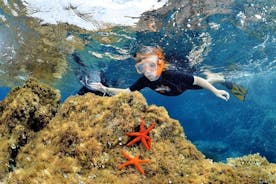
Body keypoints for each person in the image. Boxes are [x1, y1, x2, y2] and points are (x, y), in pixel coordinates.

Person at [81, 46, 247, 101]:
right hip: (175, 90)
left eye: (151, 66)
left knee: (205, 82)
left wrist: (216, 91)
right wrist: (104, 89)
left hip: (183, 85)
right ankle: (215, 79)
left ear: (160, 64)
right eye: (142, 68)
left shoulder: (173, 74)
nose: (148, 72)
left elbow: (197, 80)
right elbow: (126, 92)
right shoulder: (144, 81)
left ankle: (217, 78)